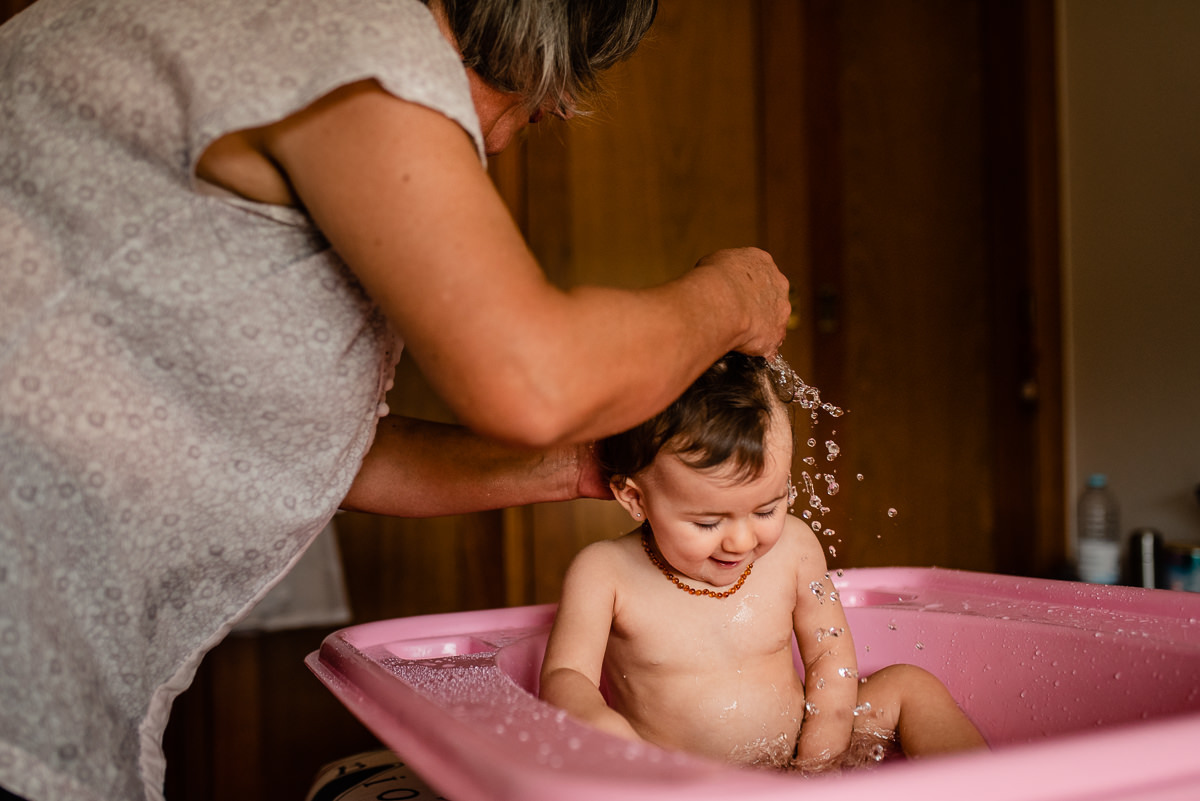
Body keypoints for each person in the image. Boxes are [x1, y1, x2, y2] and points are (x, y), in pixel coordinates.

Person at [0, 0, 791, 799]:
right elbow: (531, 382)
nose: (511, 137)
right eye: (543, 105)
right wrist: (730, 297)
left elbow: (321, 455)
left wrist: (587, 463)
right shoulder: (355, 35)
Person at [539, 353, 986, 771]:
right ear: (635, 497)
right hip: (689, 781)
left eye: (767, 509)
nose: (741, 539)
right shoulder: (605, 573)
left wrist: (820, 757)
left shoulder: (793, 546)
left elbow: (830, 653)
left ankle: (991, 790)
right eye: (708, 521)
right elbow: (566, 675)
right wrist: (608, 732)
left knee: (910, 685)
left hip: (804, 751)